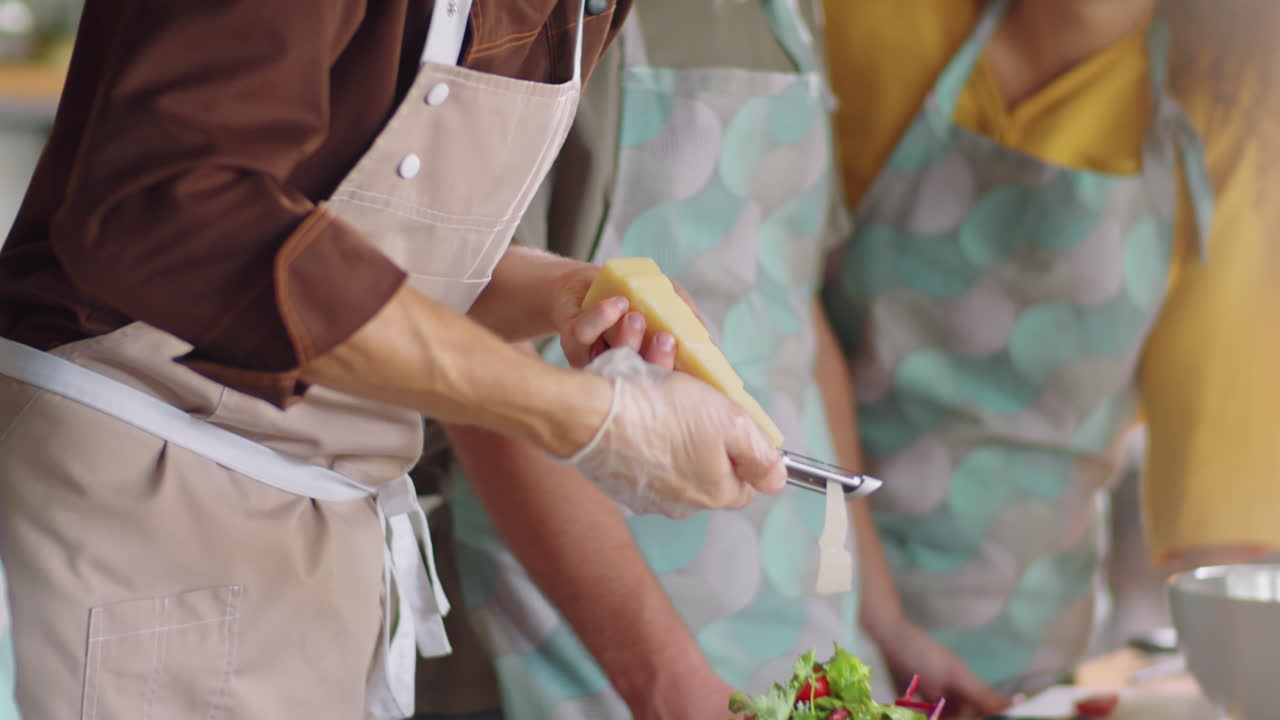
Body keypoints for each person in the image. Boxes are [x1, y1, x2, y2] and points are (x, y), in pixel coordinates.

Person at [0, 1, 790, 718]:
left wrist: (564, 291)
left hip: (315, 575)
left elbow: (354, 260)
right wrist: (586, 417)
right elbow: (172, 211)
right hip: (126, 537)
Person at [411, 1, 1013, 718]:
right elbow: (470, 328)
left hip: (790, 627)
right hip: (575, 649)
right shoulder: (539, 18)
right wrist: (666, 680)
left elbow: (793, 312)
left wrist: (882, 625)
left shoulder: (796, 13)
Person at [821, 0, 1278, 701]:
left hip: (1022, 672)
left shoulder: (1226, 103)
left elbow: (1220, 541)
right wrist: (868, 613)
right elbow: (780, 323)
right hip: (797, 601)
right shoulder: (865, 23)